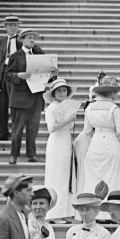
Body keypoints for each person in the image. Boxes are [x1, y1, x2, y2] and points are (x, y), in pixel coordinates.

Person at [5, 28, 51, 164]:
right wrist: (18, 75)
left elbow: (45, 75)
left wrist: (52, 72)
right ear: (22, 40)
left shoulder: (39, 55)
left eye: (33, 38)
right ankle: (14, 154)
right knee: (17, 129)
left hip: (36, 97)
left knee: (33, 129)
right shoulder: (16, 56)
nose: (32, 40)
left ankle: (31, 154)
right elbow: (7, 75)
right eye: (29, 38)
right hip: (20, 98)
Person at [79, 76, 120, 194]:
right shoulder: (114, 108)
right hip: (111, 141)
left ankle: (94, 206)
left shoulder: (89, 107)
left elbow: (87, 131)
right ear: (112, 93)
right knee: (113, 176)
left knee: (93, 177)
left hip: (95, 143)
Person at [43, 79, 77, 222]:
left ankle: (65, 211)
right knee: (56, 178)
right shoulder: (52, 107)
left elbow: (68, 128)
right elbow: (52, 128)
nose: (62, 93)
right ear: (54, 93)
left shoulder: (65, 106)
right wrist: (69, 120)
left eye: (64, 90)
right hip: (56, 144)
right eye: (59, 91)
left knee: (65, 177)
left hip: (65, 143)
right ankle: (54, 213)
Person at [0, 16, 21, 141]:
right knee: (1, 106)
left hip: (16, 74)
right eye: (10, 25)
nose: (12, 27)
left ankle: (16, 133)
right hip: (2, 74)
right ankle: (2, 133)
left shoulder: (21, 41)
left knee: (15, 105)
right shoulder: (0, 42)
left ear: (18, 27)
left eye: (15, 25)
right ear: (5, 27)